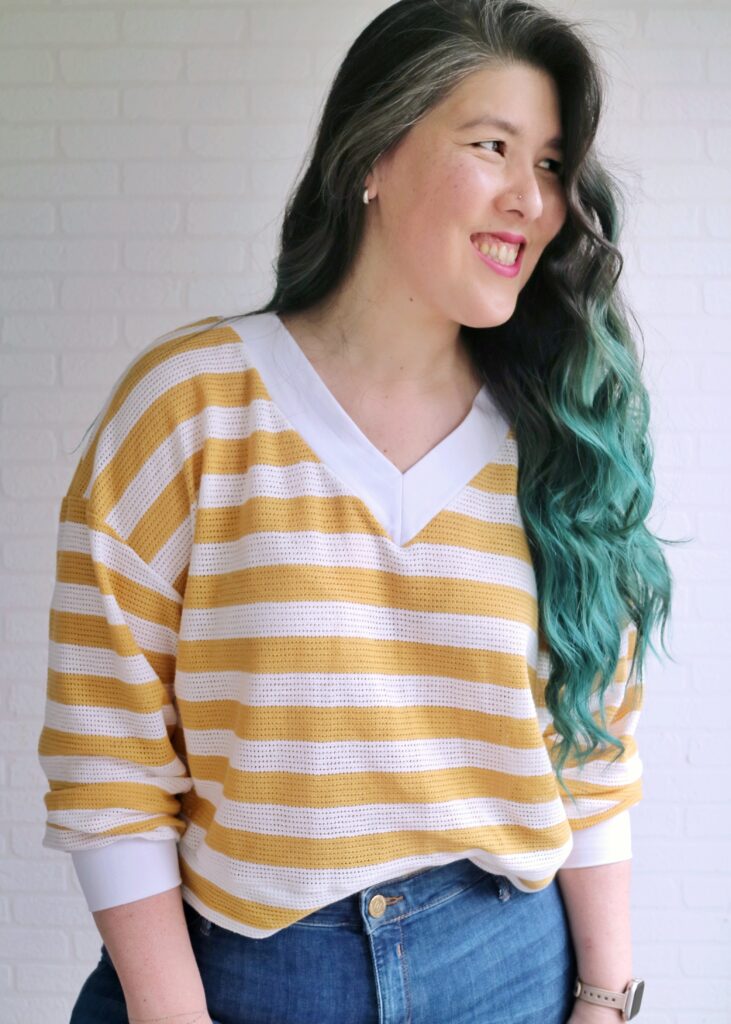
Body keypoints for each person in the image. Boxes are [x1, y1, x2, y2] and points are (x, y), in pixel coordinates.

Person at [37, 1, 673, 1021]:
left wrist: (604, 999)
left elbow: (590, 752)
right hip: (240, 980)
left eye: (551, 165)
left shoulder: (561, 436)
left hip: (513, 973)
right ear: (372, 156)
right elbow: (105, 754)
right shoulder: (191, 407)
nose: (531, 198)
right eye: (492, 146)